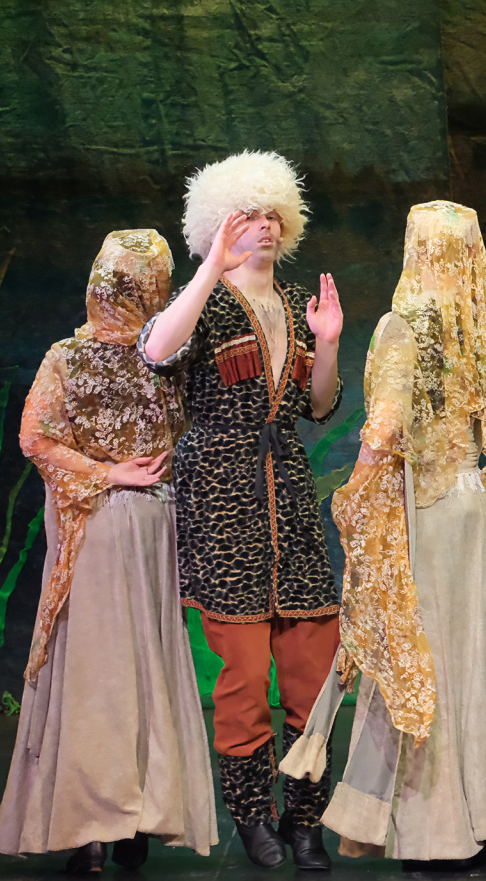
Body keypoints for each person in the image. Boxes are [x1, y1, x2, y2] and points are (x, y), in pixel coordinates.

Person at [280, 200, 486, 867]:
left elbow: (384, 426)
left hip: (427, 518)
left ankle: (430, 833)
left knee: (423, 663)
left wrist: (356, 494)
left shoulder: (404, 324)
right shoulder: (483, 328)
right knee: (474, 667)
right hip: (477, 515)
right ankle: (478, 822)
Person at [139, 151, 343, 870]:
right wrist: (208, 269)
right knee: (244, 680)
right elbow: (156, 350)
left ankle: (306, 819)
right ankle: (253, 816)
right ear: (218, 225)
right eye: (246, 216)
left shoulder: (296, 302)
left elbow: (317, 406)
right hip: (222, 497)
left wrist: (328, 344)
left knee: (313, 676)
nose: (263, 226)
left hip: (289, 494)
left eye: (271, 215)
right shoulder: (206, 298)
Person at [0, 230, 216, 873]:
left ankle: (134, 812)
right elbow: (36, 437)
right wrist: (107, 473)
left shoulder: (165, 353)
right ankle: (97, 821)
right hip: (98, 525)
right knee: (102, 669)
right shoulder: (72, 355)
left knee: (140, 665)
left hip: (153, 526)